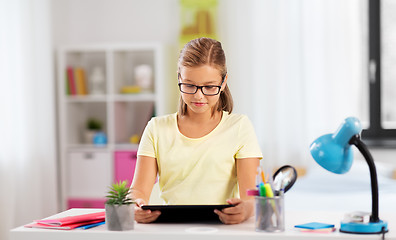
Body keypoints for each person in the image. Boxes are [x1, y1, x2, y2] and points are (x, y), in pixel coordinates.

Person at [130, 37, 263, 224]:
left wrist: (248, 210)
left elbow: (251, 196)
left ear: (223, 82)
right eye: (190, 85)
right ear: (179, 78)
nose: (198, 95)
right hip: (170, 229)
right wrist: (135, 205)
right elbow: (138, 191)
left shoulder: (240, 126)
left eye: (209, 87)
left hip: (223, 229)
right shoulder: (156, 128)